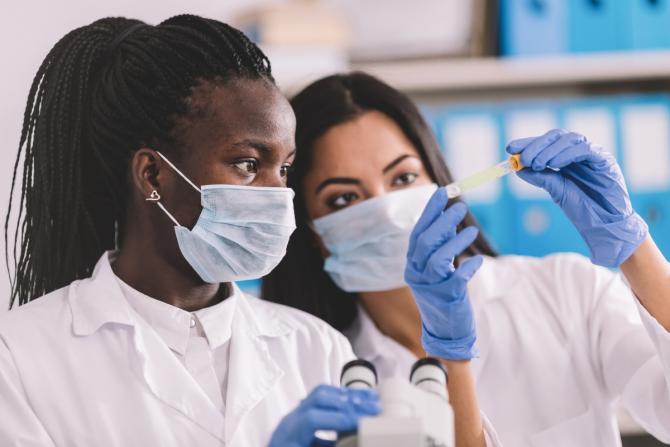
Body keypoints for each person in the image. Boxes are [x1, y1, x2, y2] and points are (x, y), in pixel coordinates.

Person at [0, 17, 383, 447]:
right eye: (248, 164)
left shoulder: (317, 350)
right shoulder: (19, 358)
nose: (279, 193)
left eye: (285, 168)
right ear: (153, 175)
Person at [262, 72, 670, 446]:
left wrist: (634, 248)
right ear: (311, 231)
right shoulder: (324, 369)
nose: (386, 210)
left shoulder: (566, 290)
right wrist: (451, 358)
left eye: (403, 178)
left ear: (439, 181)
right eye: (344, 198)